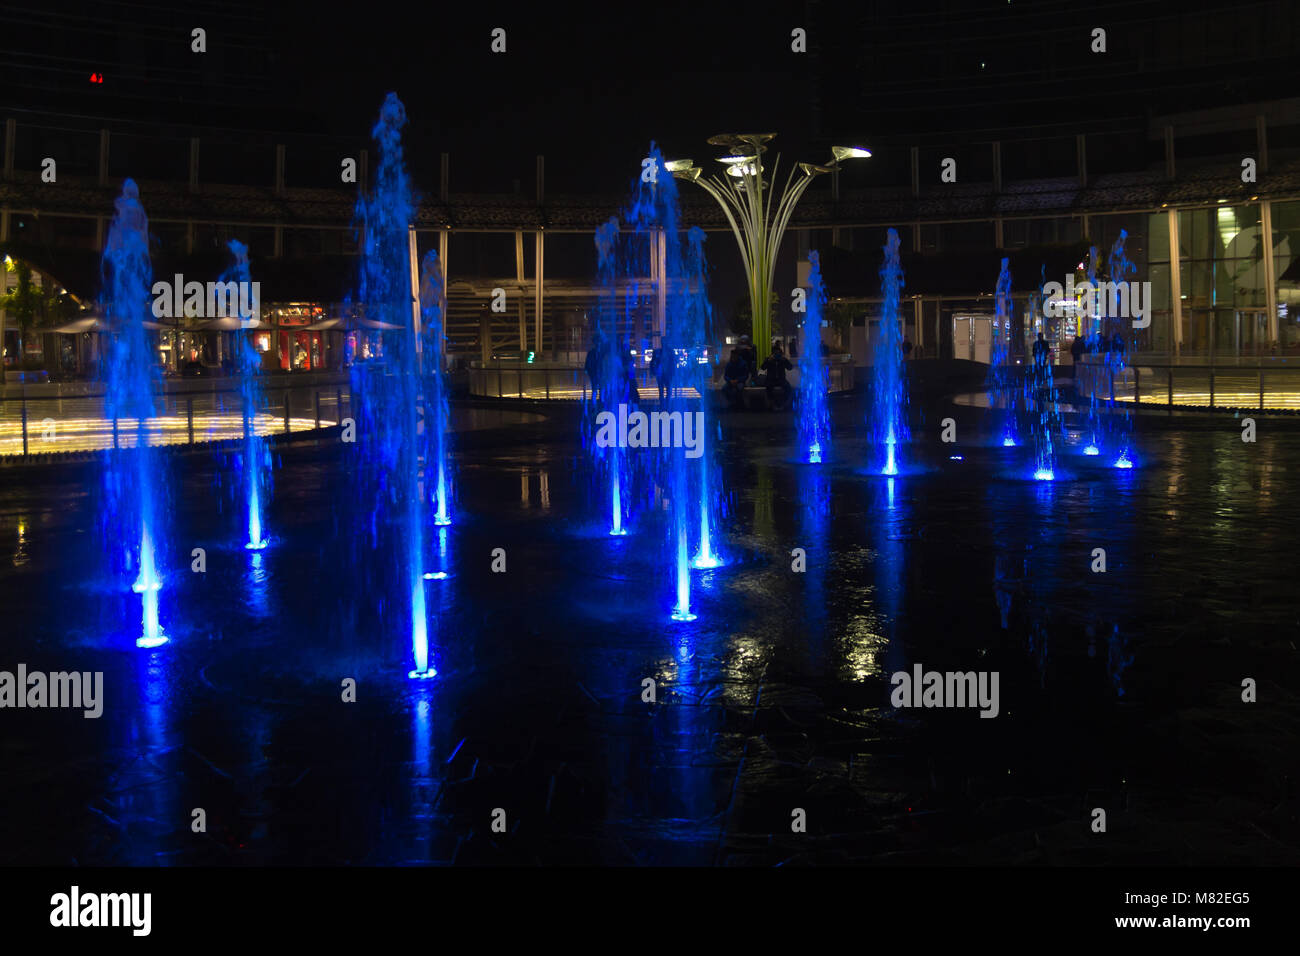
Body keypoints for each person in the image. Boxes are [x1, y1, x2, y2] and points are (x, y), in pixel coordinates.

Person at [761, 343, 793, 411]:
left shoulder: (783, 360)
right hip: (771, 379)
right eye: (775, 353)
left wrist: (785, 360)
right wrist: (767, 361)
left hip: (781, 379)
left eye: (778, 353)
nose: (777, 355)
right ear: (773, 353)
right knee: (768, 387)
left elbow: (790, 367)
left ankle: (783, 403)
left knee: (788, 388)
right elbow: (763, 367)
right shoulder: (769, 359)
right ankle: (773, 404)